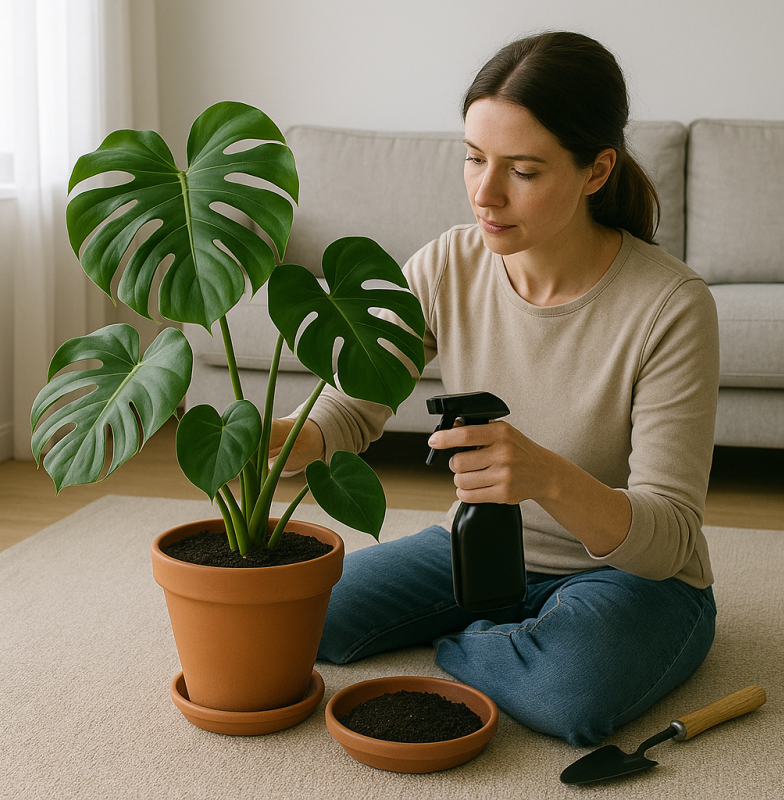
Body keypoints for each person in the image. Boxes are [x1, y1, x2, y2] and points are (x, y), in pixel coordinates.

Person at [268, 31, 720, 747]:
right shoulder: (450, 262)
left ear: (596, 169)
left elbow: (668, 537)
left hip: (634, 577)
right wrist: (289, 436)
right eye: (475, 159)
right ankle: (512, 631)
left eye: (524, 171)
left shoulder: (671, 305)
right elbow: (356, 399)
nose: (485, 192)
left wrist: (544, 476)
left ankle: (473, 643)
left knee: (571, 694)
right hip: (478, 551)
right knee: (299, 619)